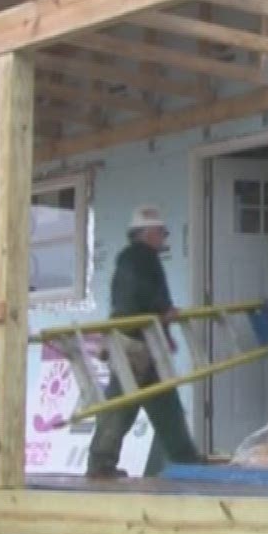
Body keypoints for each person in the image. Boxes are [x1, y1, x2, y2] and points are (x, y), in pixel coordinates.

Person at [85, 204, 204, 479]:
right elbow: (141, 291)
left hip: (143, 341)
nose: (164, 237)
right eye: (162, 232)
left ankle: (183, 458)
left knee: (163, 403)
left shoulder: (133, 258)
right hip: (136, 344)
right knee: (124, 406)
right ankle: (101, 463)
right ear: (147, 233)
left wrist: (163, 326)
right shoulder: (139, 258)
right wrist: (163, 311)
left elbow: (136, 295)